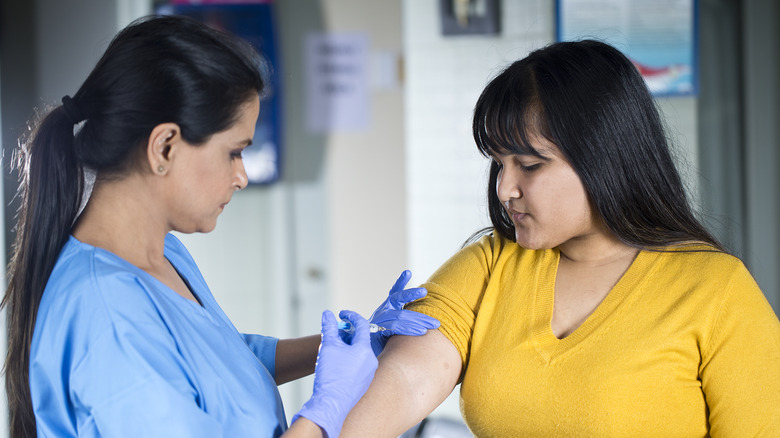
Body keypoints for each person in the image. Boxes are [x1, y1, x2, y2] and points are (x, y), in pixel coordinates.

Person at [1, 15, 439, 438]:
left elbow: (222, 366)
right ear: (165, 147)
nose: (241, 175)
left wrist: (349, 344)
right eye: (234, 152)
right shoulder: (105, 316)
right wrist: (327, 411)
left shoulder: (161, 252)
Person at [340, 40, 780, 437]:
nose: (504, 188)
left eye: (529, 165)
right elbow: (409, 378)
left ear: (605, 157)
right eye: (499, 164)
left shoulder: (715, 289)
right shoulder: (492, 263)